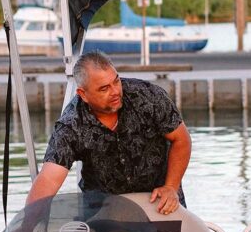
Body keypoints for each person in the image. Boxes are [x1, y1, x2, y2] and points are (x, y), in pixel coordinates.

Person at [25, 50, 192, 215]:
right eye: (104, 88)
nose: (115, 92)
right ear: (83, 94)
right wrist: (27, 225)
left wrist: (171, 186)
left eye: (116, 81)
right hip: (104, 213)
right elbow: (49, 178)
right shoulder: (71, 124)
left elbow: (181, 139)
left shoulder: (149, 97)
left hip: (160, 202)